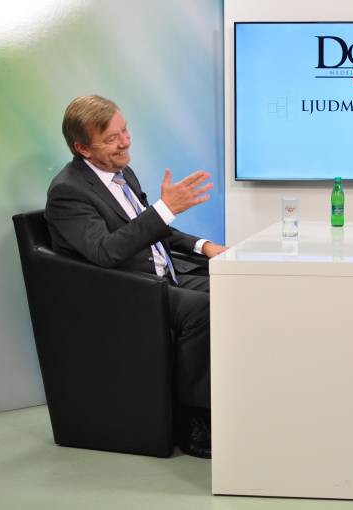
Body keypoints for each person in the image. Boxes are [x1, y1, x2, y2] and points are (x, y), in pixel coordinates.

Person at [45, 95, 225, 458]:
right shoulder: (68, 192)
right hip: (128, 292)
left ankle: (234, 395)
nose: (125, 142)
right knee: (201, 309)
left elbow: (150, 229)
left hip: (163, 275)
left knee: (235, 286)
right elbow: (105, 251)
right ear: (82, 148)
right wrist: (165, 208)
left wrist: (204, 246)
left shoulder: (122, 173)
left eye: (124, 130)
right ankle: (192, 420)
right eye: (111, 139)